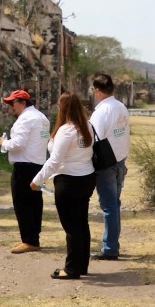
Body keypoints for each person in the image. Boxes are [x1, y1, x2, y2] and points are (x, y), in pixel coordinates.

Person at [31, 91, 96, 279]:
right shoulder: (87, 127)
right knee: (81, 223)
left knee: (72, 227)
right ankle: (81, 265)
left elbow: (54, 161)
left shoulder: (67, 130)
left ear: (63, 108)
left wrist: (37, 180)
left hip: (69, 181)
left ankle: (71, 269)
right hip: (86, 178)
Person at [0, 89, 50, 254]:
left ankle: (29, 239)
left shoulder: (25, 119)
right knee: (35, 202)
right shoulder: (41, 117)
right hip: (38, 164)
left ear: (22, 102)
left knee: (22, 203)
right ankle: (32, 236)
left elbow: (18, 143)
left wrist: (4, 143)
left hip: (24, 165)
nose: (11, 107)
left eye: (12, 103)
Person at [89, 72, 130, 260]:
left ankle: (110, 247)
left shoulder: (102, 110)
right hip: (120, 160)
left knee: (109, 207)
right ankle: (113, 243)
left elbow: (93, 136)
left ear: (97, 91)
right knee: (114, 205)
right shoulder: (121, 106)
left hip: (106, 163)